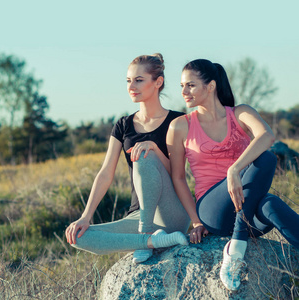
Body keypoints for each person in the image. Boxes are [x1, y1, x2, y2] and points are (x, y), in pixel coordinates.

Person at [167, 59, 299, 291]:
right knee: (266, 168)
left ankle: (238, 244)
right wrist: (196, 221)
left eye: (190, 85)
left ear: (211, 86)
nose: (184, 92)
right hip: (213, 210)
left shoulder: (240, 113)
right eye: (182, 86)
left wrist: (234, 169)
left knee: (270, 200)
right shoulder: (181, 126)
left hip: (246, 209)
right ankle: (236, 250)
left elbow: (266, 136)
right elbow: (178, 178)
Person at [65, 53, 190, 264]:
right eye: (128, 80)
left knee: (143, 155)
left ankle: (144, 235)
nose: (132, 86)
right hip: (138, 215)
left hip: (172, 211)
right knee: (77, 236)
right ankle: (150, 241)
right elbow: (105, 173)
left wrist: (154, 149)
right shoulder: (123, 125)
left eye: (139, 80)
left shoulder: (178, 121)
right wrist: (85, 217)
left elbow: (178, 175)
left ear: (157, 82)